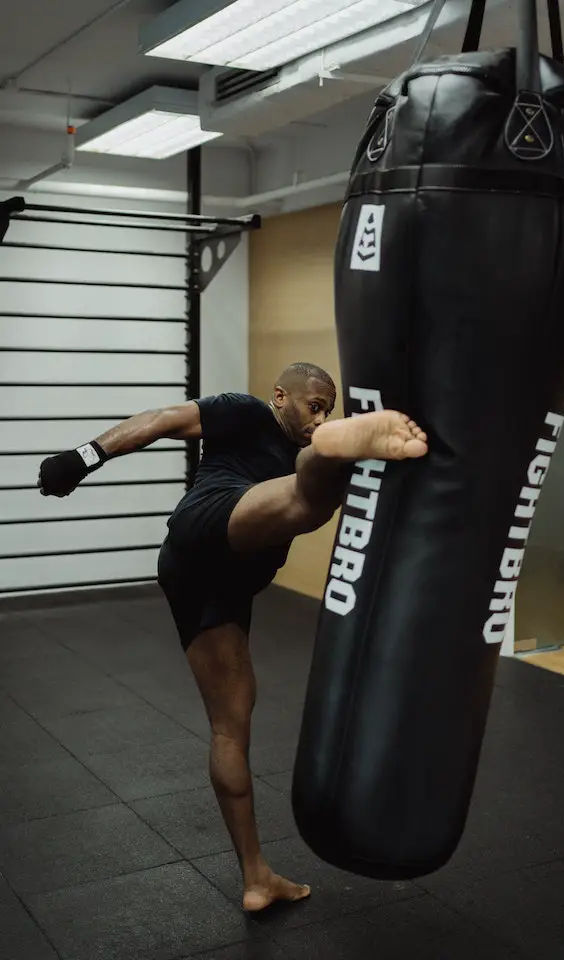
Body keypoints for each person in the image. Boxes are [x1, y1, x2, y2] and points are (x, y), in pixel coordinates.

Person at [38, 362, 428, 911]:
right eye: (314, 406)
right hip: (210, 523)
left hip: (212, 582)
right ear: (280, 397)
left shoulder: (292, 444)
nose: (318, 415)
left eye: (328, 411)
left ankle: (256, 877)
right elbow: (161, 419)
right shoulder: (245, 412)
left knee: (231, 725)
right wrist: (84, 457)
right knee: (304, 499)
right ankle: (346, 450)